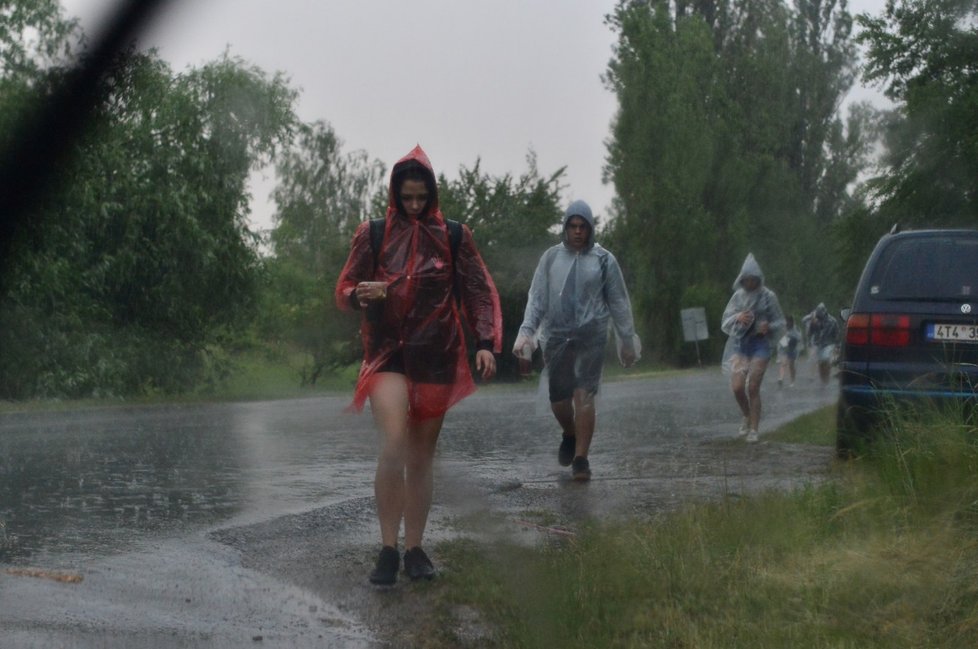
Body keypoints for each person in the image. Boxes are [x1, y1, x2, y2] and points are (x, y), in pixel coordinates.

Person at [335, 145, 502, 586]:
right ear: (394, 192)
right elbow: (343, 288)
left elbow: (478, 290)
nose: (412, 206)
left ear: (431, 194)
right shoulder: (371, 233)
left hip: (437, 353)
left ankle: (415, 549)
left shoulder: (454, 235)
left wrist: (485, 342)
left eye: (420, 198)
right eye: (405, 197)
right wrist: (359, 294)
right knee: (394, 444)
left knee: (421, 457)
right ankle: (387, 548)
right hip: (388, 352)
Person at [513, 200, 640, 482]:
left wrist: (626, 339)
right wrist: (526, 333)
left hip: (591, 336)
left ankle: (581, 459)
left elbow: (618, 301)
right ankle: (569, 433)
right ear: (565, 227)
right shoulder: (550, 259)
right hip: (557, 337)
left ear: (591, 229)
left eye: (583, 227)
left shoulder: (604, 260)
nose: (578, 232)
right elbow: (537, 299)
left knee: (584, 395)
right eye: (573, 226)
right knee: (559, 400)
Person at [720, 253, 785, 443]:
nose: (749, 283)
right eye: (746, 279)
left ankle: (754, 430)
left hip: (760, 345)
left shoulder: (768, 296)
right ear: (742, 279)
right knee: (737, 387)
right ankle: (747, 415)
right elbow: (725, 321)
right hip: (740, 345)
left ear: (758, 279)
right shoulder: (737, 297)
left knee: (753, 386)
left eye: (752, 279)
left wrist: (768, 327)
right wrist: (737, 318)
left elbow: (780, 322)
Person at [803, 302, 840, 386]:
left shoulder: (832, 320)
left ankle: (826, 378)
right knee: (820, 362)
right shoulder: (814, 319)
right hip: (818, 343)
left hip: (829, 343)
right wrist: (812, 319)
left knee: (825, 359)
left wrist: (837, 345)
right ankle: (823, 380)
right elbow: (809, 330)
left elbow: (837, 333)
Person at [777, 315, 802, 388]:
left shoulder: (796, 329)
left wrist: (792, 339)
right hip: (783, 348)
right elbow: (779, 337)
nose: (787, 324)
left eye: (789, 322)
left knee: (791, 365)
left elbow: (799, 338)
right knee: (783, 363)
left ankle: (792, 381)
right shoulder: (783, 327)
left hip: (792, 348)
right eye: (786, 322)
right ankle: (780, 378)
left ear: (792, 322)